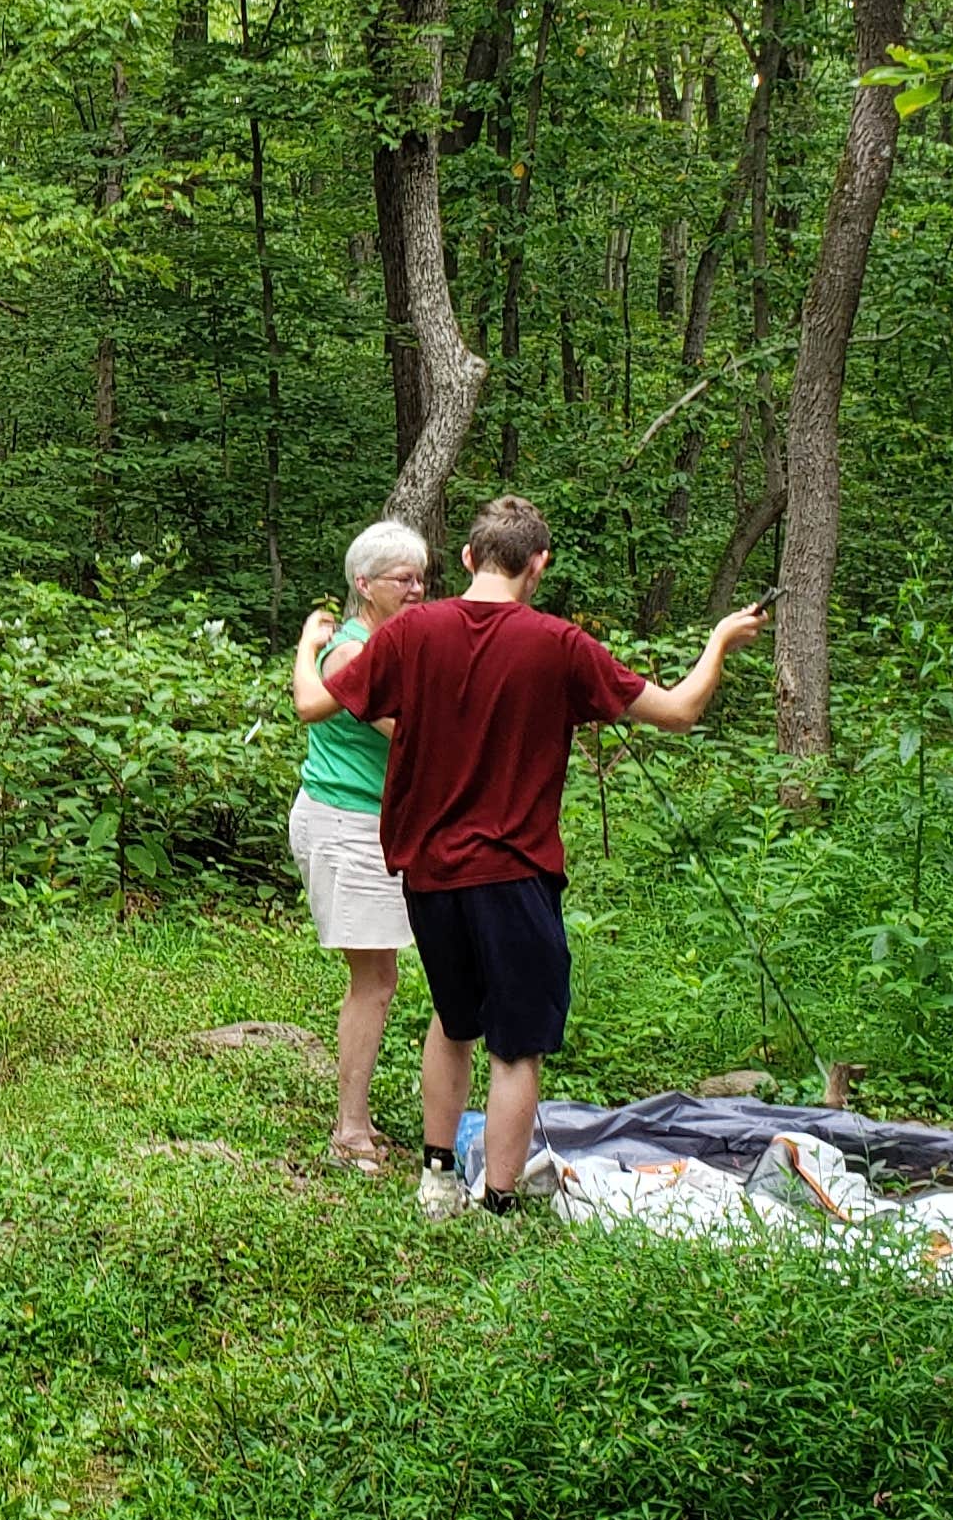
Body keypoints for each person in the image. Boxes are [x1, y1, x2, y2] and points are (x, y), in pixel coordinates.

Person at [296, 494, 767, 1216]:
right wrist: (720, 643)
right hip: (514, 874)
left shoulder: (411, 631)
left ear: (466, 559)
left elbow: (326, 697)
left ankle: (437, 1180)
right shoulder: (558, 644)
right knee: (516, 1046)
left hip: (428, 873)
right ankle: (498, 1205)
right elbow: (678, 711)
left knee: (453, 1022)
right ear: (539, 563)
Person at [290, 521, 431, 1167]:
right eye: (404, 578)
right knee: (373, 980)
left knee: (379, 976)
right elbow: (407, 733)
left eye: (422, 577)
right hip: (347, 825)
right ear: (364, 583)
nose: (417, 588)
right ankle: (349, 1133)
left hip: (372, 825)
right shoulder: (352, 653)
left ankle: (360, 1123)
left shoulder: (384, 641)